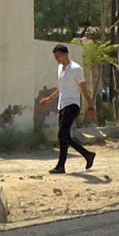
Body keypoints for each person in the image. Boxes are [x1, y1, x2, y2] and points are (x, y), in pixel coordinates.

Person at [39, 43, 96, 174]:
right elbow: (62, 87)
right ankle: (87, 155)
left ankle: (61, 165)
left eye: (58, 56)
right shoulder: (60, 68)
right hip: (62, 105)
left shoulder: (76, 69)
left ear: (65, 54)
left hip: (72, 105)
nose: (57, 59)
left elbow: (83, 88)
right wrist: (49, 99)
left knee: (62, 134)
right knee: (65, 136)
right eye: (55, 57)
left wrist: (90, 106)